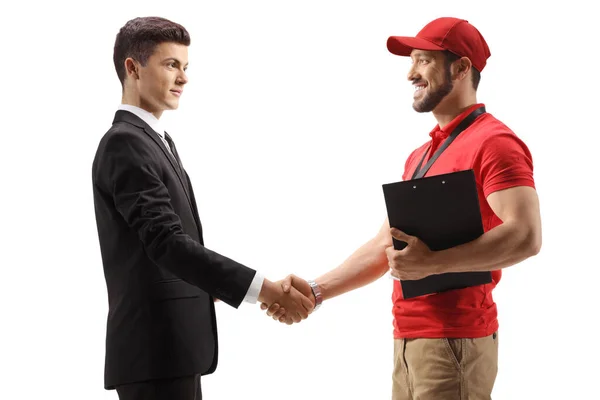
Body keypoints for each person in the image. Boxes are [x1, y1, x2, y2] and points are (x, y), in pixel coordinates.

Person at [262, 17, 542, 400]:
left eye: (424, 60)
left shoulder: (494, 142)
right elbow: (385, 245)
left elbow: (526, 235)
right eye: (411, 61)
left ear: (461, 68)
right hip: (409, 341)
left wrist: (433, 263)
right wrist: (315, 290)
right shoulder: (421, 155)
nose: (411, 72)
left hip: (455, 340)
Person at [91, 16, 314, 400]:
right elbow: (166, 243)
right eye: (171, 64)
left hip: (171, 352)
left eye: (185, 67)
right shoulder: (125, 143)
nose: (183, 77)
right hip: (154, 353)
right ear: (132, 67)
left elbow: (162, 250)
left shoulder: (154, 141)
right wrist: (265, 290)